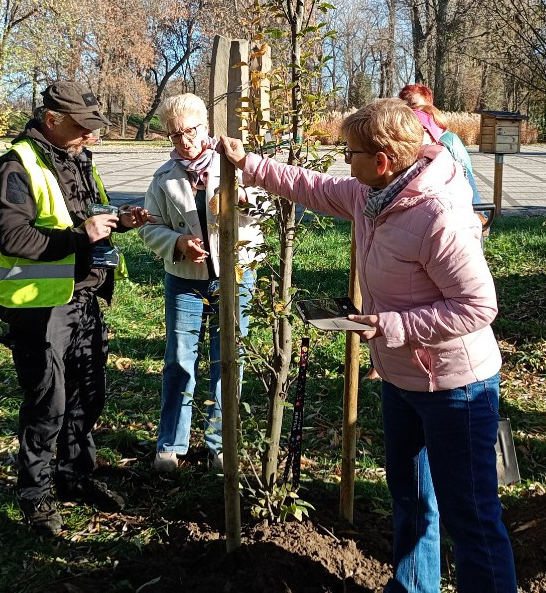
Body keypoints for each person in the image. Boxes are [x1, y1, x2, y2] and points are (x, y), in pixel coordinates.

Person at [220, 98, 517, 593]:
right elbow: (311, 186)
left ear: (382, 160)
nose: (344, 161)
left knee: (470, 514)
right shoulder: (371, 195)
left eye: (349, 152)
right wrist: (248, 164)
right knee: (413, 497)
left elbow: (478, 307)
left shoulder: (438, 216)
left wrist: (390, 326)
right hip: (403, 380)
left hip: (456, 388)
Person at [0, 80, 153, 536]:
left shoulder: (77, 157)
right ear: (52, 119)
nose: (92, 137)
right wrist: (83, 236)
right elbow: (15, 239)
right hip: (39, 307)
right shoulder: (15, 167)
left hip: (81, 296)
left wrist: (117, 221)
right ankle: (36, 495)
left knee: (88, 392)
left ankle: (76, 473)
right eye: (84, 128)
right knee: (48, 403)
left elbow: (82, 217)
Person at [138, 94, 263, 473]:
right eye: (175, 135)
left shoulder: (235, 162)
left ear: (204, 126)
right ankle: (170, 444)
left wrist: (241, 197)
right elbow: (149, 226)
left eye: (190, 131)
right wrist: (175, 243)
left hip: (235, 277)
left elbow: (271, 206)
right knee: (179, 360)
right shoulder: (164, 177)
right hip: (185, 282)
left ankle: (221, 443)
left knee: (228, 361)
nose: (184, 141)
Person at [399, 84, 482, 204]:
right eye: (405, 109)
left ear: (429, 106)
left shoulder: (449, 140)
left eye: (414, 106)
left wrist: (477, 213)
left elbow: (469, 185)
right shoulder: (400, 141)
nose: (411, 113)